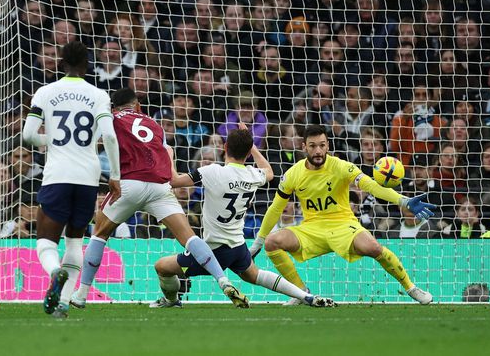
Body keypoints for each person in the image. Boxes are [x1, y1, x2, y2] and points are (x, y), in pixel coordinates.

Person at [71, 87, 248, 309]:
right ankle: (223, 281)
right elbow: (166, 152)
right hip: (159, 186)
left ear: (114, 107)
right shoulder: (155, 124)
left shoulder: (112, 118)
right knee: (190, 238)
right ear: (137, 105)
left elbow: (100, 138)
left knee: (99, 234)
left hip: (129, 183)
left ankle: (81, 294)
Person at [150, 124, 335, 308]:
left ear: (225, 148)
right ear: (248, 153)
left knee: (162, 267)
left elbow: (174, 181)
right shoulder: (253, 175)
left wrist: (169, 154)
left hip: (212, 250)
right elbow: (270, 172)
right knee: (254, 275)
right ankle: (305, 295)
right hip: (238, 246)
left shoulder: (212, 171)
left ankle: (172, 301)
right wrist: (252, 146)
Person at [249, 125, 436, 305]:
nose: (318, 151)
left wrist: (402, 201)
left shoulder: (341, 166)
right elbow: (275, 208)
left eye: (322, 145)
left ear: (328, 145)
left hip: (343, 225)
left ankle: (411, 288)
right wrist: (258, 242)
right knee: (272, 242)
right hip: (311, 229)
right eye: (313, 146)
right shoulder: (293, 174)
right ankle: (300, 292)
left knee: (374, 248)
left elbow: (370, 185)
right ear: (304, 146)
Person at [22, 41, 121, 319]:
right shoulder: (99, 94)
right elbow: (110, 136)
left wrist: (50, 141)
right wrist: (115, 176)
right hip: (88, 176)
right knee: (75, 242)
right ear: (87, 65)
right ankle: (63, 304)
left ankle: (55, 272)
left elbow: (28, 136)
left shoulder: (45, 92)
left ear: (61, 63)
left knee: (45, 243)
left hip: (58, 174)